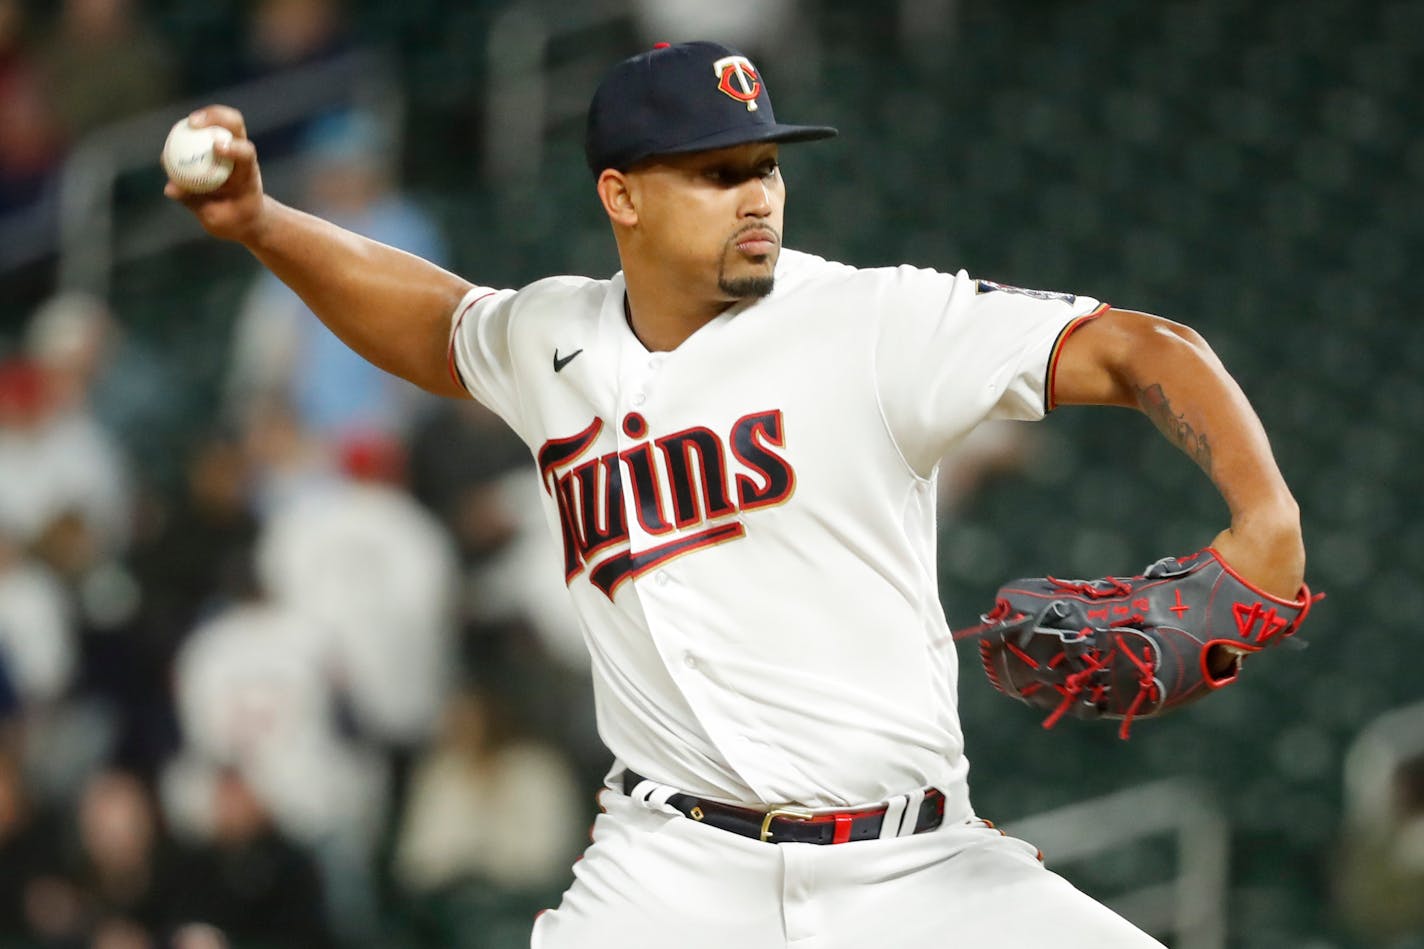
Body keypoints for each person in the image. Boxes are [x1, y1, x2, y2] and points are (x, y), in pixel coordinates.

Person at [166, 40, 1307, 949]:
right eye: (716, 174)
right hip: (670, 872)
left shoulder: (869, 321)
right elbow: (431, 323)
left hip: (913, 869)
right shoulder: (552, 337)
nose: (757, 193)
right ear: (620, 194)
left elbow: (1135, 349)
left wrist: (1264, 519)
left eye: (764, 164)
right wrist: (265, 224)